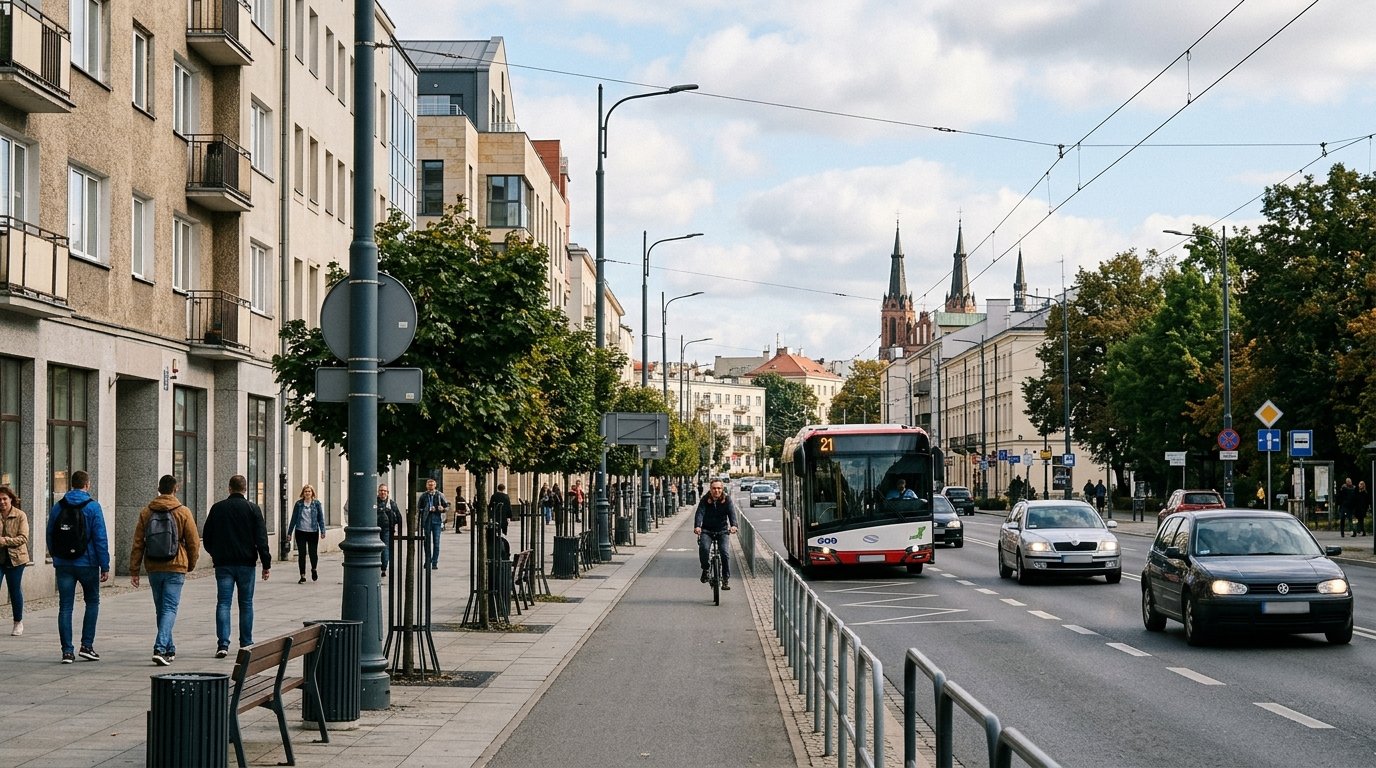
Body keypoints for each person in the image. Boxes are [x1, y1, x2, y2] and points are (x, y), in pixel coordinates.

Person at [130, 474, 199, 666]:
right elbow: (193, 542)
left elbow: (137, 543)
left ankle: (169, 649)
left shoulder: (146, 512)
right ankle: (160, 648)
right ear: (175, 489)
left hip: (154, 566)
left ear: (159, 489)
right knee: (169, 607)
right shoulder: (183, 511)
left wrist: (134, 569)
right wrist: (189, 563)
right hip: (176, 565)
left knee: (161, 608)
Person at [203, 475, 272, 658]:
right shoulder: (253, 509)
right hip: (246, 563)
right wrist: (266, 564)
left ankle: (223, 644)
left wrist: (214, 553)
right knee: (246, 603)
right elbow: (261, 539)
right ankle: (246, 643)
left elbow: (207, 536)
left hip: (223, 564)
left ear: (229, 488)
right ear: (245, 489)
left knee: (223, 603)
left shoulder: (217, 508)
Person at [50, 471, 110, 663]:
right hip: (88, 563)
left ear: (71, 484)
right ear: (87, 485)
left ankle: (67, 651)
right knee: (92, 602)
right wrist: (105, 564)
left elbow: (50, 533)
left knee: (65, 606)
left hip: (64, 564)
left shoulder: (58, 506)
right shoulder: (93, 507)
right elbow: (100, 538)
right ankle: (87, 646)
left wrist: (56, 556)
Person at [693, 479, 739, 590]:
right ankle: (706, 569)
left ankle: (725, 579)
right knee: (704, 548)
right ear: (710, 489)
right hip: (707, 531)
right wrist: (698, 526)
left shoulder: (727, 500)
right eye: (714, 488)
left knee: (724, 553)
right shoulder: (705, 499)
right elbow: (700, 513)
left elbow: (732, 514)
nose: (716, 490)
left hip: (722, 531)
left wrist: (734, 525)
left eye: (719, 488)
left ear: (722, 489)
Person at [0, 486, 31, 637]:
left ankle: (18, 622)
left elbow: (23, 538)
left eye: (5, 498)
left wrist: (5, 541)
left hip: (16, 559)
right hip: (0, 559)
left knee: (14, 590)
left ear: (11, 499)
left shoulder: (20, 515)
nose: (2, 502)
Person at [286, 484, 325, 583]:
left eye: (309, 491)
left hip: (313, 531)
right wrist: (289, 532)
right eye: (305, 491)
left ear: (312, 493)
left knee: (313, 553)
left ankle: (314, 569)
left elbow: (320, 518)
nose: (307, 493)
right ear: (303, 493)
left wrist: (323, 530)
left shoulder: (316, 504)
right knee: (301, 554)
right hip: (300, 531)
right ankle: (302, 575)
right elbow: (293, 519)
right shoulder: (299, 504)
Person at [419, 478, 450, 569]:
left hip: (437, 520)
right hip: (427, 520)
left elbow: (447, 506)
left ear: (435, 486)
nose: (431, 487)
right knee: (427, 542)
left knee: (436, 542)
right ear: (426, 486)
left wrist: (442, 509)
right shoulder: (423, 496)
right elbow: (419, 508)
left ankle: (434, 562)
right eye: (429, 485)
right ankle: (428, 560)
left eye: (432, 485)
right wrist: (427, 509)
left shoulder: (440, 495)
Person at [375, 484, 400, 575]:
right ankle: (377, 566)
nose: (383, 492)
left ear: (387, 492)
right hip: (375, 529)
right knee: (376, 548)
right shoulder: (373, 503)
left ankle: (383, 568)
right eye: (381, 490)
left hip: (387, 529)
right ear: (378, 492)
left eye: (384, 491)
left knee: (385, 548)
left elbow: (398, 516)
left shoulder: (392, 503)